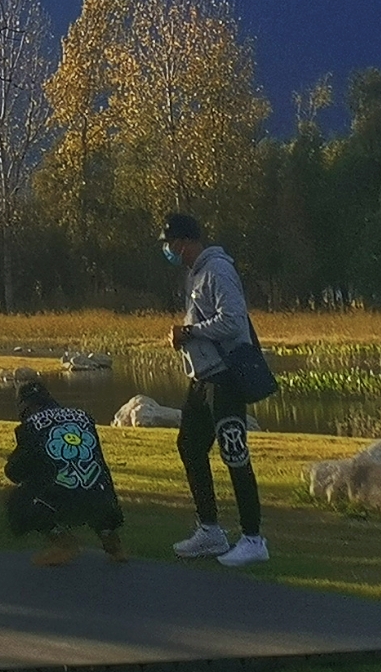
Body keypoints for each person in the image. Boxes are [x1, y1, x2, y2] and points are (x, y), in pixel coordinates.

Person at [162, 211, 270, 566]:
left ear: (187, 241)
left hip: (224, 378)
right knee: (190, 448)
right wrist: (186, 336)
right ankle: (210, 530)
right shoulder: (193, 274)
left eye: (172, 243)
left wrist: (191, 332)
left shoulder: (218, 269)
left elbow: (233, 321)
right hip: (201, 376)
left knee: (234, 454)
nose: (170, 250)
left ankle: (253, 538)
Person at [1, 373, 125, 567]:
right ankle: (110, 538)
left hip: (64, 496)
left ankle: (61, 541)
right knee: (93, 478)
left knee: (18, 499)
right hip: (103, 497)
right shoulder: (84, 418)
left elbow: (15, 472)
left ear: (24, 407)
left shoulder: (30, 426)